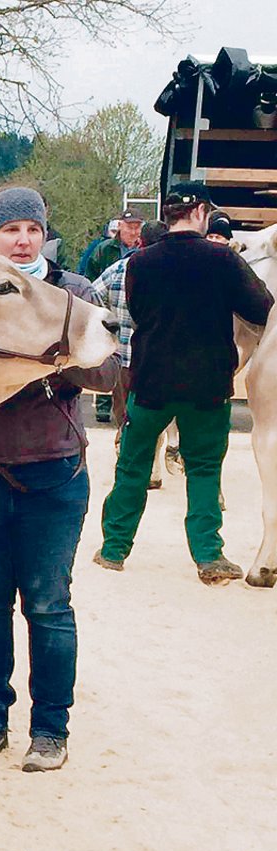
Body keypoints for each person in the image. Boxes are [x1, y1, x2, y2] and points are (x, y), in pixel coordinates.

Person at [0, 186, 120, 772]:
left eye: (32, 229)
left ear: (45, 235)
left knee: (47, 604)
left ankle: (50, 731)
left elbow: (110, 372)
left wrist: (53, 357)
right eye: (9, 230)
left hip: (53, 471)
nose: (22, 239)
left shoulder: (73, 293)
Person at [94, 182, 274, 584]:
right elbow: (262, 308)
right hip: (207, 385)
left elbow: (138, 311)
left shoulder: (139, 263)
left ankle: (113, 550)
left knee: (132, 468)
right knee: (205, 470)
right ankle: (209, 556)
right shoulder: (224, 261)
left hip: (150, 381)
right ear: (200, 213)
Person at [92, 220, 169, 436]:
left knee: (126, 422)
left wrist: (109, 324)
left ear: (140, 242)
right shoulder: (176, 273)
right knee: (158, 422)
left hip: (123, 359)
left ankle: (124, 450)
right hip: (162, 360)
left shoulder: (118, 270)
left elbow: (92, 296)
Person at [84, 209, 143, 281]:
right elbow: (90, 277)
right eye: (129, 228)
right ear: (119, 226)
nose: (133, 232)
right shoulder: (104, 249)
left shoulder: (144, 250)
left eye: (137, 228)